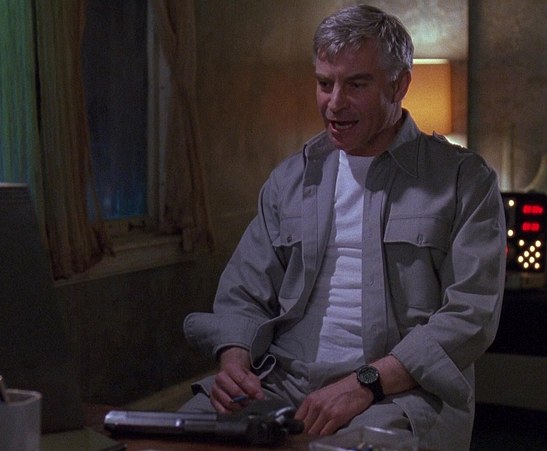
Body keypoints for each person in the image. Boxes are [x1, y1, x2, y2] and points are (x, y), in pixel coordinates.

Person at [180, 5, 505, 450]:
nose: (335, 103)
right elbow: (244, 291)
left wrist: (365, 383)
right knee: (166, 436)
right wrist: (234, 361)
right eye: (325, 83)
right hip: (282, 382)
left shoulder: (463, 180)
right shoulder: (290, 179)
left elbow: (471, 316)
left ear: (399, 85)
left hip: (398, 393)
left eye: (356, 84)